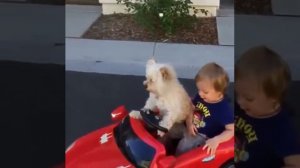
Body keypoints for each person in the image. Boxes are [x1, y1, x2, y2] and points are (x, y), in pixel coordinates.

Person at [234, 46, 300, 167]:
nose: (240, 102)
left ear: (273, 98)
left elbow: (295, 164)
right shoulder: (240, 108)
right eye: (238, 94)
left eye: (249, 98)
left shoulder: (282, 129)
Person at [176, 62, 234, 156]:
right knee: (169, 128)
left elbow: (231, 130)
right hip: (190, 124)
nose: (200, 93)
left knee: (183, 147)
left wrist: (217, 140)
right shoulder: (201, 96)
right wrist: (189, 123)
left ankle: (175, 162)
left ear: (219, 92)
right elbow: (191, 107)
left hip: (201, 135)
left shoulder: (224, 110)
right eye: (199, 89)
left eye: (205, 92)